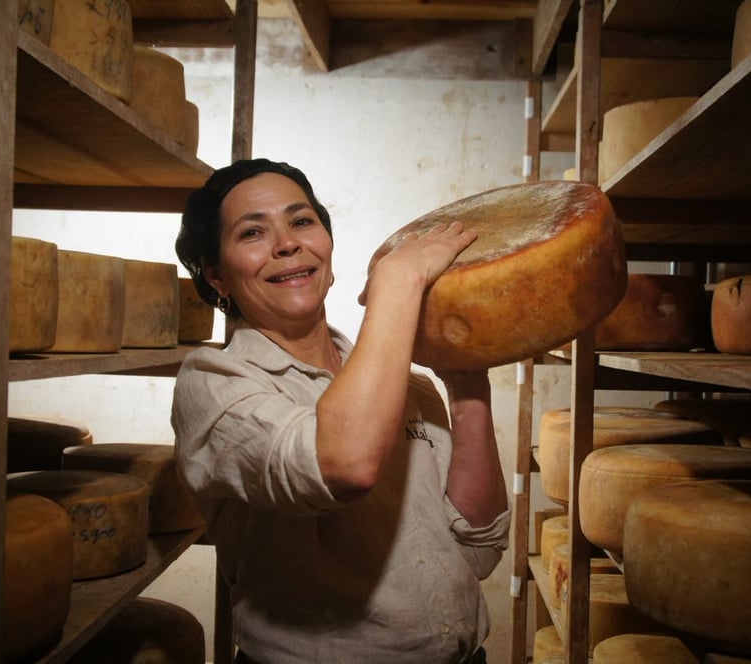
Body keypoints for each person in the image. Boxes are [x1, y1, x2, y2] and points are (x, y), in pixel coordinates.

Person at [171, 158, 510, 664]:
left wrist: (467, 386)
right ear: (217, 275)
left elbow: (479, 549)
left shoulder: (408, 386)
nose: (287, 243)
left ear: (327, 243)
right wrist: (399, 279)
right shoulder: (213, 384)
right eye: (252, 232)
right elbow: (343, 465)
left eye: (302, 221)